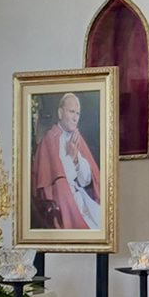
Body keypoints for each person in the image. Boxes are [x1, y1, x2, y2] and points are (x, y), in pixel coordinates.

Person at [32, 92, 101, 229]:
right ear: (60, 113)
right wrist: (70, 157)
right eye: (71, 112)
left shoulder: (77, 138)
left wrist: (75, 158)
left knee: (103, 222)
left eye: (77, 113)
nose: (75, 118)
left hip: (81, 199)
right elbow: (58, 180)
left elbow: (86, 181)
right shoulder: (50, 140)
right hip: (63, 202)